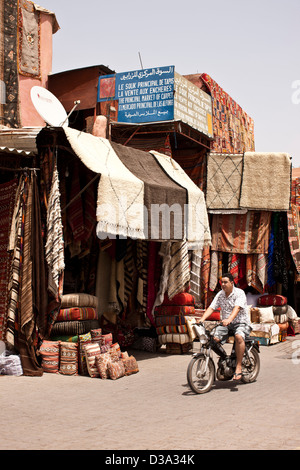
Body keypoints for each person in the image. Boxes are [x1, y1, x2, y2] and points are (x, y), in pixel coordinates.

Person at [200, 273, 252, 381]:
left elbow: (237, 308)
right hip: (225, 324)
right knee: (213, 339)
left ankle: (238, 367)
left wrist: (229, 319)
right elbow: (211, 308)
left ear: (232, 283)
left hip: (241, 323)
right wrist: (202, 319)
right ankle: (224, 359)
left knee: (238, 336)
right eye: (221, 282)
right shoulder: (220, 294)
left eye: (225, 282)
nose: (223, 284)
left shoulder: (239, 293)